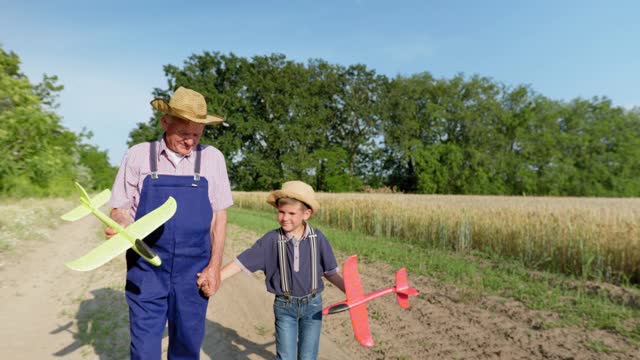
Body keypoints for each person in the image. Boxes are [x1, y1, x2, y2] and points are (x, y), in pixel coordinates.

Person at [106, 86, 233, 359]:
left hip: (194, 270)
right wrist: (120, 223)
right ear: (165, 122)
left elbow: (219, 217)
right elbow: (120, 208)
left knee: (187, 347)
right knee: (144, 349)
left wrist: (214, 267)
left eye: (197, 135)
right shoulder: (138, 155)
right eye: (184, 134)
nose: (191, 142)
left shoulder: (213, 159)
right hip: (147, 266)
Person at [216, 180, 345, 360]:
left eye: (292, 213)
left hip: (313, 306)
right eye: (281, 212)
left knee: (309, 356)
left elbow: (330, 272)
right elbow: (241, 263)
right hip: (285, 307)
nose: (285, 218)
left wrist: (350, 290)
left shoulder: (318, 238)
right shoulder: (271, 240)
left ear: (306, 214)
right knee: (285, 356)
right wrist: (216, 278)